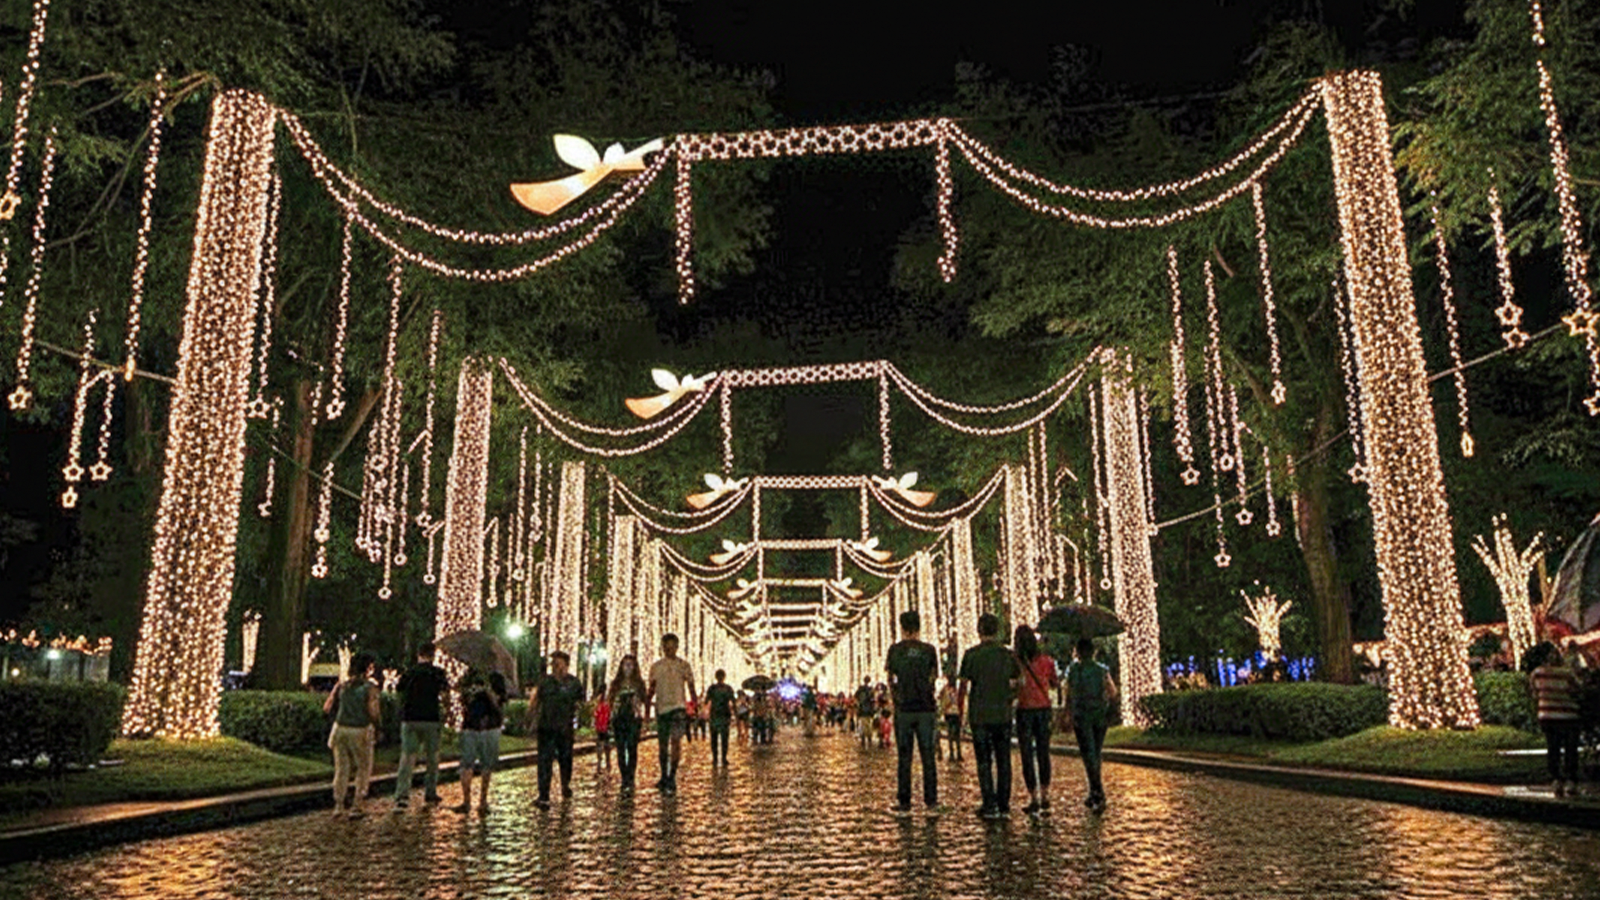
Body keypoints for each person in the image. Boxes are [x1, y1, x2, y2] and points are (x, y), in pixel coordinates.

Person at [958, 613, 1020, 819]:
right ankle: (1004, 805)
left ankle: (989, 804)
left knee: (984, 761)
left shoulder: (971, 655)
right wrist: (1010, 698)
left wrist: (961, 712)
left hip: (980, 715)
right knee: (1004, 761)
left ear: (979, 630)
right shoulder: (1008, 655)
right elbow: (1019, 682)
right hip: (1002, 714)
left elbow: (963, 686)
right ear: (997, 630)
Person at [885, 610, 940, 813]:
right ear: (919, 627)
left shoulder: (895, 651)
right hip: (926, 708)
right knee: (928, 757)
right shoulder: (929, 650)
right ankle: (931, 800)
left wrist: (896, 698)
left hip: (904, 710)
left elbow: (891, 679)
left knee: (904, 757)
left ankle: (904, 800)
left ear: (902, 627)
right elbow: (933, 676)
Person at [392, 642, 449, 809]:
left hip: (410, 718)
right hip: (431, 718)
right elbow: (445, 695)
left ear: (419, 654)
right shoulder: (438, 673)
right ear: (433, 655)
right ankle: (430, 792)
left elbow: (399, 692)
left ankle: (402, 795)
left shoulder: (409, 672)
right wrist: (444, 710)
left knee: (407, 757)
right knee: (432, 758)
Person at [1065, 637, 1118, 813]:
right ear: (1093, 652)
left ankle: (1097, 792)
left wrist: (1067, 714)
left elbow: (1069, 694)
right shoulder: (1102, 670)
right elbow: (1113, 692)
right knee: (1095, 752)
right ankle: (1094, 791)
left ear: (1078, 652)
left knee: (1088, 755)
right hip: (1099, 716)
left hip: (1082, 716)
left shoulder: (1074, 670)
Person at [324, 652, 380, 819]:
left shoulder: (341, 685)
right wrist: (378, 725)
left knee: (341, 769)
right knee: (363, 767)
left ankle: (338, 805)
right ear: (367, 668)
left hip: (340, 729)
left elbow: (327, 707)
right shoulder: (370, 687)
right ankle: (357, 804)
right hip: (359, 729)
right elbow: (373, 711)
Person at [531, 650, 586, 809]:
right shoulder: (545, 682)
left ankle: (565, 784)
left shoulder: (573, 683)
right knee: (544, 762)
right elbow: (537, 701)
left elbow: (580, 702)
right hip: (546, 727)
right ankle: (543, 796)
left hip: (565, 728)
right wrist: (532, 719)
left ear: (566, 665)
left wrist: (579, 718)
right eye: (553, 664)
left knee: (566, 760)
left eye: (558, 663)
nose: (556, 667)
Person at [1013, 625, 1059, 816]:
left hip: (1024, 710)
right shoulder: (1047, 661)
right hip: (1043, 709)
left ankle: (1033, 796)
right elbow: (1055, 683)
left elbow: (1012, 685)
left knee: (1026, 755)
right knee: (1043, 752)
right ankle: (1045, 794)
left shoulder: (1016, 662)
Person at [1529, 641, 1583, 797]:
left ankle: (1556, 779)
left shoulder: (1537, 673)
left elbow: (1534, 692)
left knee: (1553, 749)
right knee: (1570, 750)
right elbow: (1578, 688)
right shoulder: (1567, 673)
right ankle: (1571, 781)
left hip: (1547, 715)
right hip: (1568, 715)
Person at [454, 665, 508, 815]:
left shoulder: (496, 678)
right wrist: (470, 693)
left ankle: (483, 801)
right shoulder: (468, 676)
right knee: (466, 763)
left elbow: (500, 702)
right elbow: (461, 698)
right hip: (470, 724)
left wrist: (488, 691)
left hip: (490, 725)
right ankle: (466, 801)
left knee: (487, 764)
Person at [647, 633, 697, 794]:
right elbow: (651, 690)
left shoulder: (684, 666)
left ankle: (671, 777)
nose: (669, 650)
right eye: (666, 647)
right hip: (662, 709)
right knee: (662, 746)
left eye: (671, 647)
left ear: (676, 647)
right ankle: (664, 776)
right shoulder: (656, 667)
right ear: (662, 648)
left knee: (675, 743)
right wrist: (647, 709)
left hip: (678, 708)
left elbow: (691, 688)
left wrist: (694, 707)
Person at [607, 655, 648, 791]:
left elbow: (645, 700)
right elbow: (610, 701)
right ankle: (624, 777)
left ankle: (630, 777)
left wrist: (644, 715)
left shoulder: (639, 683)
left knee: (632, 748)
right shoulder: (616, 684)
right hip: (619, 718)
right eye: (625, 665)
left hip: (633, 719)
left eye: (631, 665)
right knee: (620, 749)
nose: (628, 668)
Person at [706, 669, 737, 766]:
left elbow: (706, 701)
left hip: (714, 715)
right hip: (725, 715)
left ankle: (715, 758)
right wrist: (735, 714)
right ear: (724, 677)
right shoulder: (728, 688)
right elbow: (733, 702)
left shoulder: (712, 688)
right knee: (724, 738)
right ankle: (724, 758)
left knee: (714, 738)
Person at [939, 678, 962, 761]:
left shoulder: (945, 690)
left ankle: (953, 753)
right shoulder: (956, 690)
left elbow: (940, 697)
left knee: (951, 734)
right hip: (956, 713)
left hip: (949, 713)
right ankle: (958, 753)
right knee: (957, 735)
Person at [854, 678, 876, 747]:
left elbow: (856, 697)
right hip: (868, 711)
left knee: (863, 726)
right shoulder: (871, 690)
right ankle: (869, 740)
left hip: (862, 711)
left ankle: (863, 739)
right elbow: (873, 701)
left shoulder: (861, 689)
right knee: (868, 726)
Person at [593, 695, 613, 773]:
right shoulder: (607, 707)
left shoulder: (598, 707)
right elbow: (609, 717)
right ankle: (608, 764)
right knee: (607, 746)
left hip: (599, 729)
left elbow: (595, 717)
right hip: (606, 728)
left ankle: (599, 764)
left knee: (599, 747)